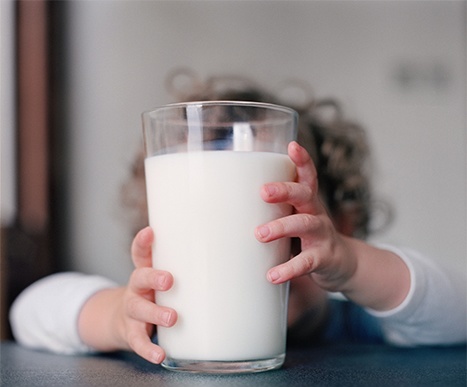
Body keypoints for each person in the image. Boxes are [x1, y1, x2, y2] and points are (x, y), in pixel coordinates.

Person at [9, 71, 466, 364]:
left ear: (339, 226)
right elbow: (29, 309)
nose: (248, 268)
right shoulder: (156, 320)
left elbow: (459, 312)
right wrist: (113, 317)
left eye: (286, 240)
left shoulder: (361, 320)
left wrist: (353, 265)